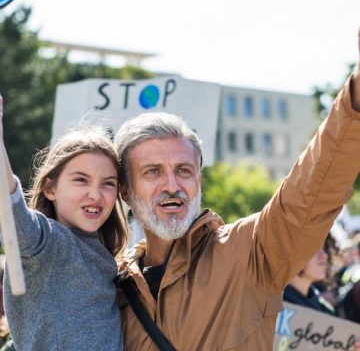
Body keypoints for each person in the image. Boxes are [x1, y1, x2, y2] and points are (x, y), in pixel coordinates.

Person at [113, 32, 360, 350]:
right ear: (124, 190)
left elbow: (312, 191)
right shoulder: (111, 289)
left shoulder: (249, 252)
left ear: (199, 181)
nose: (172, 185)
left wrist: (354, 99)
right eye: (153, 172)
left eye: (184, 170)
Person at [0, 95, 128, 350]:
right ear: (50, 188)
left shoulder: (104, 256)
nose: (96, 193)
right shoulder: (47, 244)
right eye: (81, 179)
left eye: (108, 183)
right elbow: (11, 213)